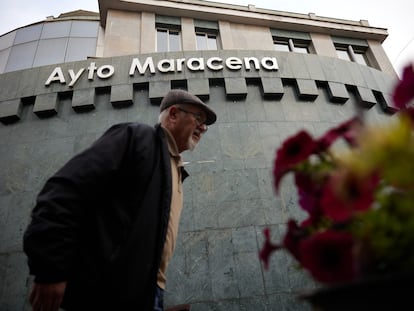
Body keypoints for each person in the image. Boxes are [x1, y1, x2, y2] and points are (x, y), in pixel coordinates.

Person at [23, 89, 217, 311]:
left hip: (147, 292)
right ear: (173, 114)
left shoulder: (174, 167)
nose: (203, 127)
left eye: (205, 124)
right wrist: (51, 269)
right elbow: (65, 191)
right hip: (107, 294)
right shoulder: (139, 139)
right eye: (199, 118)